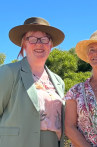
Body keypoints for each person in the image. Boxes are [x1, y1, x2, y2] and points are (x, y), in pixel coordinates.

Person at [0, 17, 65, 147]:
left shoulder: (58, 81)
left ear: (51, 44)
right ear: (24, 43)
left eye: (44, 39)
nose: (39, 43)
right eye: (32, 38)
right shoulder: (8, 72)